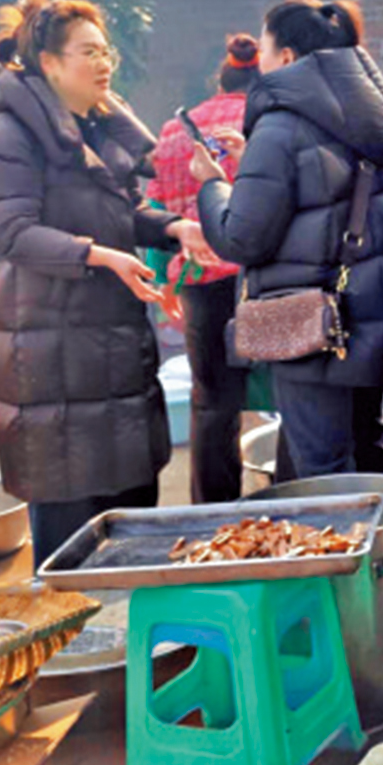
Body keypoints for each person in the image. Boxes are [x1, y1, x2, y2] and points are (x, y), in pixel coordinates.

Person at [0, 0, 211, 562]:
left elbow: (118, 212)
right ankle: (75, 651)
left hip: (107, 349)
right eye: (87, 52)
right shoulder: (10, 135)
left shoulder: (91, 130)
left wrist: (173, 228)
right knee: (72, 539)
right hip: (50, 362)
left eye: (105, 50)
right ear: (49, 63)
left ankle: (131, 647)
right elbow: (10, 233)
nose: (103, 62)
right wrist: (101, 256)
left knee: (129, 523)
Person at [192, 0, 383, 477]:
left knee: (324, 471)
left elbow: (241, 238)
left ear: (289, 59)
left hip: (314, 331)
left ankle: (342, 554)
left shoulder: (281, 125)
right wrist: (255, 159)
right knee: (367, 449)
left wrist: (211, 185)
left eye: (265, 50)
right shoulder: (374, 119)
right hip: (372, 322)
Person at [149, 34, 260, 502]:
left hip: (198, 281)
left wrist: (162, 284)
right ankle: (297, 502)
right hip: (259, 279)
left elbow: (157, 212)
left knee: (213, 403)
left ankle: (214, 513)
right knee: (291, 400)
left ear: (221, 79)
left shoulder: (176, 129)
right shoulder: (264, 121)